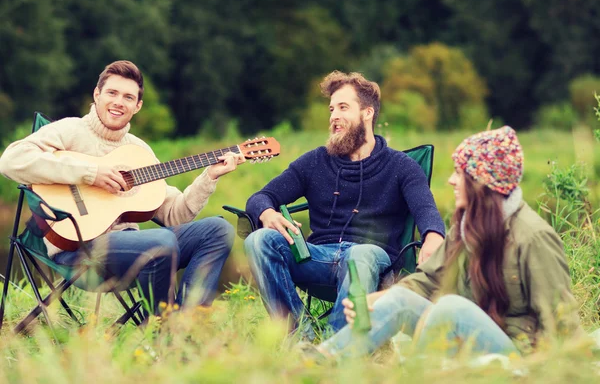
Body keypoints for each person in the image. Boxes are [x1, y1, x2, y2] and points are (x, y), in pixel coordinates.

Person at [0, 60, 245, 314]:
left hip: (131, 247)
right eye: (112, 93)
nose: (119, 102)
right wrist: (90, 173)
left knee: (217, 230)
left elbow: (175, 215)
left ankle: (189, 320)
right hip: (79, 250)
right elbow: (10, 161)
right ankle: (164, 329)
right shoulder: (70, 130)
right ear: (97, 95)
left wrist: (210, 176)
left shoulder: (139, 151)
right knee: (161, 242)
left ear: (137, 106)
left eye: (128, 97)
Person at [316, 126, 582, 358]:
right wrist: (378, 299)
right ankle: (321, 361)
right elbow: (429, 280)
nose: (451, 180)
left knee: (450, 306)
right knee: (400, 300)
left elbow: (561, 326)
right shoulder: (467, 227)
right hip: (468, 341)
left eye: (459, 172)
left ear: (482, 182)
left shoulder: (535, 238)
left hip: (518, 358)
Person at [244, 71, 445, 335]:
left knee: (360, 254)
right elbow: (260, 197)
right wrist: (267, 213)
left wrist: (433, 236)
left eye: (343, 108)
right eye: (331, 109)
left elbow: (426, 210)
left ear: (367, 113)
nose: (333, 116)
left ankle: (336, 345)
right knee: (257, 241)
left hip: (370, 257)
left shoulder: (401, 166)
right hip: (317, 257)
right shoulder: (315, 161)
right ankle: (299, 337)